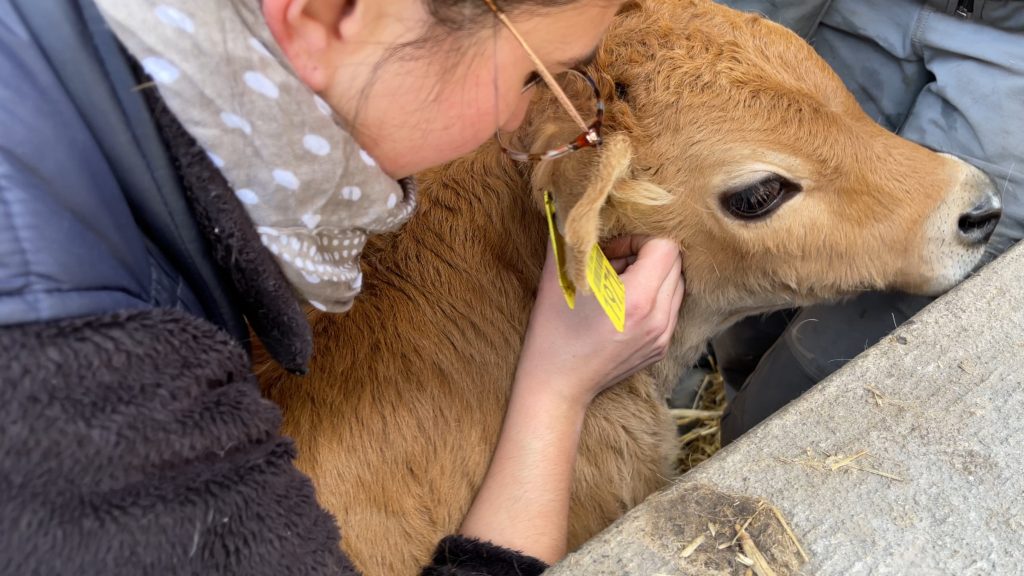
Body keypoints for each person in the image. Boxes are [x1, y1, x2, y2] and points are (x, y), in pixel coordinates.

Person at [0, 0, 685, 575]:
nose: (518, 122)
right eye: (535, 77)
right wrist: (555, 391)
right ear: (332, 15)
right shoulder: (80, 394)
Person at [712, 0, 1024, 444]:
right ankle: (735, 392)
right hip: (856, 10)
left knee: (818, 375)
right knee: (752, 279)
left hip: (1013, 47)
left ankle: (749, 451)